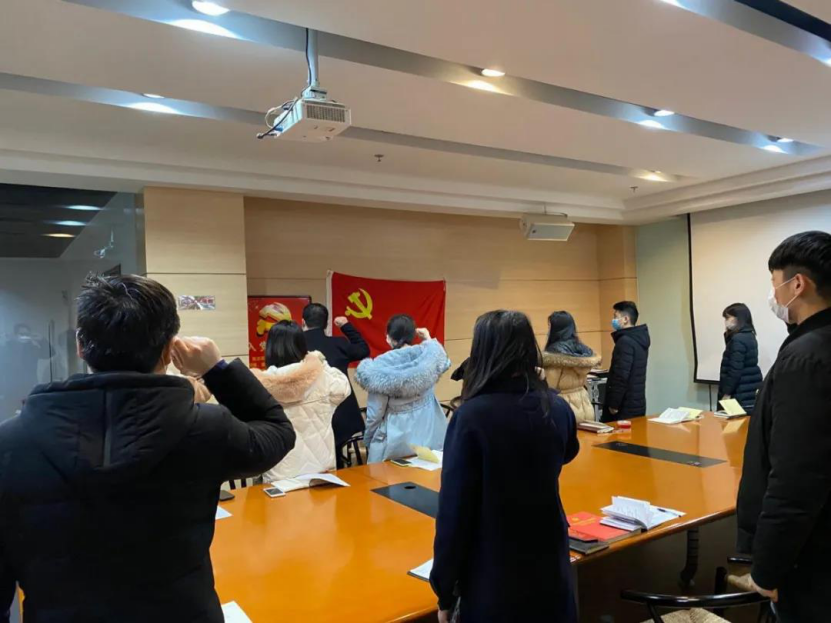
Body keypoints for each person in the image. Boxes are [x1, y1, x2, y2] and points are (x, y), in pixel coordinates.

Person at [0, 274, 296, 623]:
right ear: (169, 350)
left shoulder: (9, 443)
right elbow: (277, 431)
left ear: (80, 345)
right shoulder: (207, 428)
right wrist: (217, 369)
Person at [431, 310, 579, 622]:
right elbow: (568, 452)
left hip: (494, 571)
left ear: (481, 352)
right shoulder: (556, 406)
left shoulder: (471, 416)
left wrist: (444, 589)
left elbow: (455, 513)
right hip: (550, 559)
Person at [737, 231, 831, 622]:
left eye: (775, 282)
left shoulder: (806, 357)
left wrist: (766, 568)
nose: (773, 294)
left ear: (797, 285)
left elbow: (795, 479)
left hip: (811, 558)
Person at [251, 320, 351, 482]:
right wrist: (320, 362)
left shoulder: (258, 386)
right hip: (321, 471)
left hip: (280, 474)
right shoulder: (322, 376)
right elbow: (344, 389)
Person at [355, 314, 450, 463]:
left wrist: (369, 439)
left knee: (393, 475)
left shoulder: (379, 366)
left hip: (397, 436)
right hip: (429, 429)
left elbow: (375, 413)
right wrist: (428, 339)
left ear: (388, 337)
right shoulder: (428, 356)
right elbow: (443, 362)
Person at [302, 303, 370, 465]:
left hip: (312, 414)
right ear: (326, 324)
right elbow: (363, 350)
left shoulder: (296, 347)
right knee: (339, 456)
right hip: (342, 414)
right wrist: (346, 326)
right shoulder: (339, 343)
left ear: (303, 322)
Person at [542, 310, 602, 422]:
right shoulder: (583, 349)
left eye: (550, 326)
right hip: (585, 406)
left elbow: (550, 388)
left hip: (564, 409)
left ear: (556, 329)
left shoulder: (554, 354)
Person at [603, 300, 650, 421]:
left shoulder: (624, 341)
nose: (613, 320)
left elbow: (621, 375)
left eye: (615, 317)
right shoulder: (639, 339)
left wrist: (614, 403)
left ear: (625, 319)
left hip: (623, 407)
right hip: (637, 403)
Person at [0, 323, 51, 421]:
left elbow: (50, 353)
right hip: (10, 388)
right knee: (9, 416)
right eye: (21, 334)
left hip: (29, 386)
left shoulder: (32, 348)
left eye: (26, 334)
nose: (24, 336)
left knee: (30, 415)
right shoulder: (7, 347)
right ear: (16, 335)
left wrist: (42, 340)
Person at [718, 303, 763, 413]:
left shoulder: (738, 339)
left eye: (728, 318)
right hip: (748, 389)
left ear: (739, 318)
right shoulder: (750, 335)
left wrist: (727, 393)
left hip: (739, 392)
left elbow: (735, 370)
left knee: (733, 423)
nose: (726, 321)